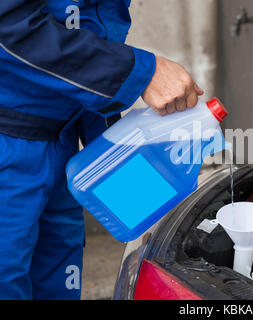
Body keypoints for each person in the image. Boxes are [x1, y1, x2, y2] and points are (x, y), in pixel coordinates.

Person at [0, 0, 203, 300]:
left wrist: (109, 143)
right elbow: (8, 26)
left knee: (57, 286)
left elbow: (92, 27)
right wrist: (141, 72)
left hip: (63, 143)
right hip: (10, 142)